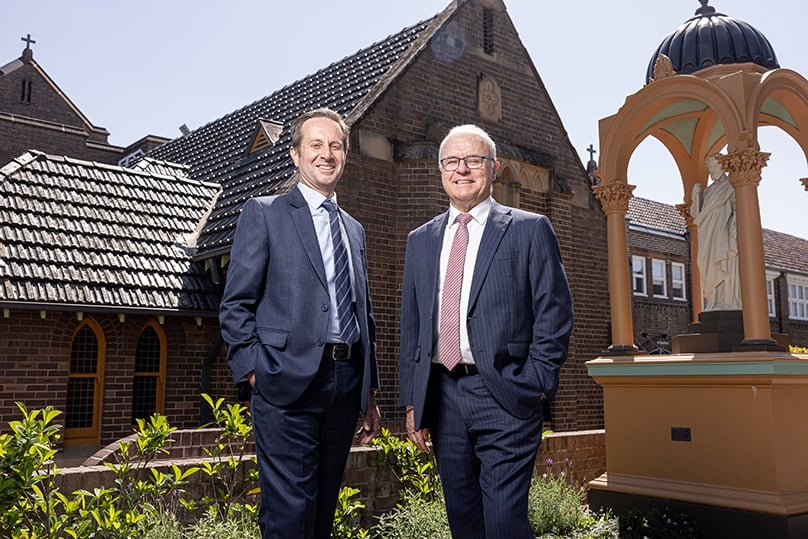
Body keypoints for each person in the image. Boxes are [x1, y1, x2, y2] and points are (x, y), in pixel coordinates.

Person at [398, 124, 574, 539]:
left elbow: (555, 311)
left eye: (473, 160)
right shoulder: (420, 240)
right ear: (440, 170)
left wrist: (534, 381)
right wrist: (413, 402)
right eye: (452, 161)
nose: (462, 169)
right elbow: (413, 328)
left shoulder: (529, 229)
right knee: (464, 522)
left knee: (504, 523)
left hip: (506, 393)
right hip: (443, 399)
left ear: (493, 168)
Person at [219, 107, 381, 539]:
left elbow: (363, 314)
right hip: (284, 381)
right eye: (316, 145)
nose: (326, 154)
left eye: (335, 146)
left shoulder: (355, 229)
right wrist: (254, 370)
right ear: (295, 154)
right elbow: (236, 303)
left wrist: (368, 392)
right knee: (290, 514)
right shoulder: (265, 213)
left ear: (345, 155)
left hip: (344, 384)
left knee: (322, 510)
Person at [692, 153, 741, 311]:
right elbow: (696, 215)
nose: (712, 170)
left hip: (722, 232)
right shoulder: (709, 191)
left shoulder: (731, 185)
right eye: (710, 167)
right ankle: (713, 300)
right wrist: (696, 196)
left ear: (722, 166)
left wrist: (734, 223)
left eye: (714, 166)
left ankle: (726, 300)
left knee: (723, 262)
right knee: (704, 263)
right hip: (707, 234)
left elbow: (738, 206)